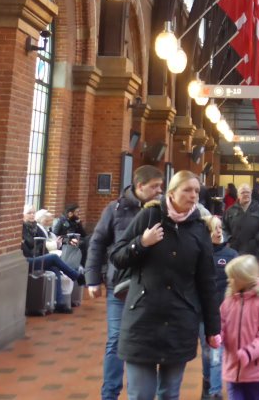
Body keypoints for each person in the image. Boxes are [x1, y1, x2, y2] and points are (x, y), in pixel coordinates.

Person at [109, 170, 221, 400]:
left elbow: (207, 282)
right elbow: (117, 256)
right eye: (187, 190)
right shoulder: (149, 216)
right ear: (172, 192)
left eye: (197, 191)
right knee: (141, 394)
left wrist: (213, 328)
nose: (193, 196)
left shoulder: (200, 228)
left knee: (169, 394)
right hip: (142, 321)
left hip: (179, 323)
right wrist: (141, 243)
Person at [85, 165, 164, 400]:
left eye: (161, 186)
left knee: (148, 341)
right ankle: (109, 394)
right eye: (154, 187)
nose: (159, 191)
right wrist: (92, 279)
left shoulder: (161, 211)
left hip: (151, 287)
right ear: (140, 186)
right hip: (120, 288)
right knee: (116, 340)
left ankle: (141, 393)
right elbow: (98, 243)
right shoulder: (116, 209)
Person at [220, 255, 259, 400]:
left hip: (255, 368)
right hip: (234, 366)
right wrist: (216, 336)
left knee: (255, 397)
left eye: (232, 277)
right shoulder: (228, 302)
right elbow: (220, 325)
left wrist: (248, 352)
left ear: (244, 278)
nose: (228, 281)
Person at [201, 216, 237, 400]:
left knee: (216, 353)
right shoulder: (199, 254)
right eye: (214, 229)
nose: (219, 231)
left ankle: (215, 392)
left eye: (220, 228)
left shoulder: (231, 255)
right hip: (202, 313)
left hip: (222, 313)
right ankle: (207, 383)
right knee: (207, 353)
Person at [21, 205, 83, 312]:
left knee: (54, 267)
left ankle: (59, 303)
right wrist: (39, 246)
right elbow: (30, 245)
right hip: (26, 260)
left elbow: (42, 244)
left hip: (37, 257)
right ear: (23, 215)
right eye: (29, 213)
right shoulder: (22, 228)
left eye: (33, 213)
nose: (32, 215)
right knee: (53, 257)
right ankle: (75, 275)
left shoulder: (36, 227)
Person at [223, 184, 259, 258]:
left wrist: (258, 238)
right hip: (235, 250)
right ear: (238, 195)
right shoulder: (230, 210)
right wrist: (230, 238)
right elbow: (223, 228)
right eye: (243, 192)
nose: (246, 194)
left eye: (248, 192)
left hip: (253, 250)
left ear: (251, 194)